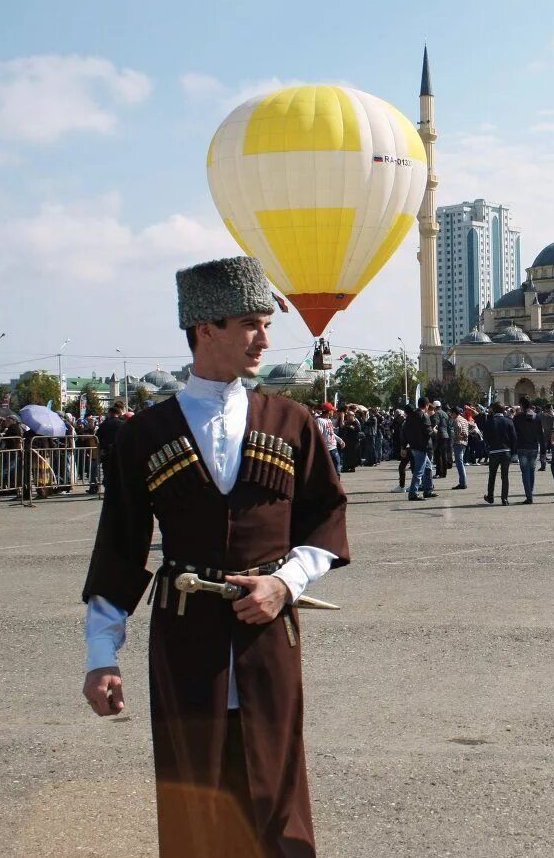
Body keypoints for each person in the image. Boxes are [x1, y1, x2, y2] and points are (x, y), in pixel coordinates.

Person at [81, 256, 349, 858]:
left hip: (268, 639)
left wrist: (286, 582)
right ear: (206, 329)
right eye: (250, 323)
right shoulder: (144, 435)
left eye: (266, 324)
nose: (264, 339)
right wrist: (102, 656)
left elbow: (326, 517)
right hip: (185, 640)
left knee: (279, 799)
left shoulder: (292, 422)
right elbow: (120, 548)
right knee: (193, 800)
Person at [482, 401, 516, 505]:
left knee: (492, 475)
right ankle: (504, 499)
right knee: (505, 476)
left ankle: (490, 497)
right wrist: (513, 451)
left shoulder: (489, 421)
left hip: (494, 451)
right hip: (506, 451)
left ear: (493, 410)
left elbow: (485, 437)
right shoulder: (508, 421)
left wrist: (488, 447)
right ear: (503, 410)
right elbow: (514, 437)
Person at [403, 399, 436, 500]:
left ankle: (428, 490)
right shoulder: (424, 416)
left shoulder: (411, 416)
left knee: (428, 467)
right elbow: (428, 432)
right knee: (419, 470)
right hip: (422, 447)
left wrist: (405, 445)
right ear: (426, 405)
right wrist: (434, 431)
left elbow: (404, 431)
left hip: (414, 446)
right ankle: (413, 493)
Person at [512, 398, 542, 503]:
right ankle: (531, 493)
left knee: (525, 472)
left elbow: (514, 433)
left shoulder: (517, 417)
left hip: (522, 446)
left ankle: (529, 496)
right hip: (534, 446)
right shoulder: (537, 417)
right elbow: (540, 434)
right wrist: (543, 450)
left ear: (521, 405)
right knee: (532, 471)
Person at [448, 405, 469, 490]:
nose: (450, 415)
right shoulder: (464, 419)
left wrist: (456, 437)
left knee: (459, 464)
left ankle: (462, 483)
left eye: (451, 413)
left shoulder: (456, 420)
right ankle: (463, 482)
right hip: (464, 443)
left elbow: (458, 429)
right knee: (461, 462)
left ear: (454, 413)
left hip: (458, 443)